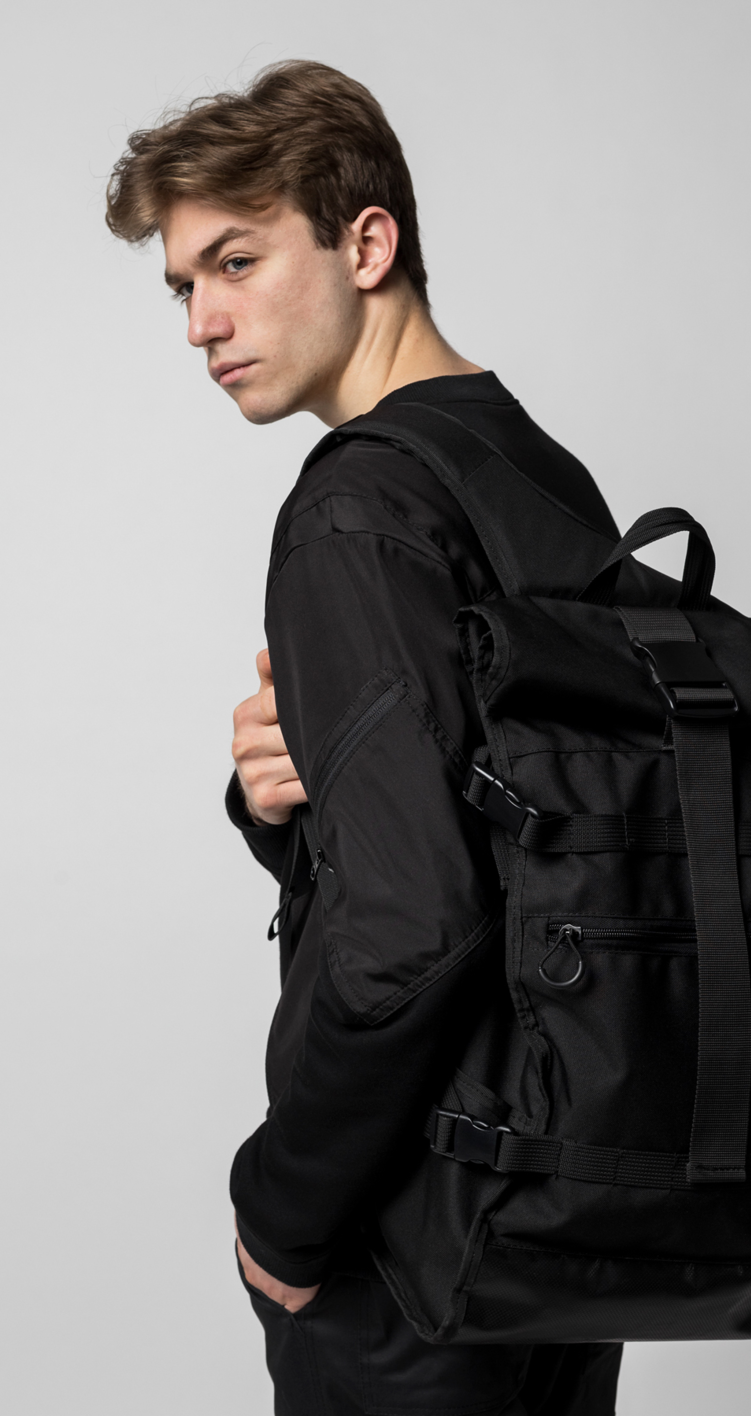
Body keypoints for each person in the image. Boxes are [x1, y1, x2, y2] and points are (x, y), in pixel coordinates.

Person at [106, 60, 624, 1415]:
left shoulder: (357, 509)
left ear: (367, 243)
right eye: (183, 286)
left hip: (409, 1242)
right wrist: (286, 807)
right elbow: (532, 855)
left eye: (236, 260)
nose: (203, 321)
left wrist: (283, 1211)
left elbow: (416, 928)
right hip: (562, 1220)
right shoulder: (541, 474)